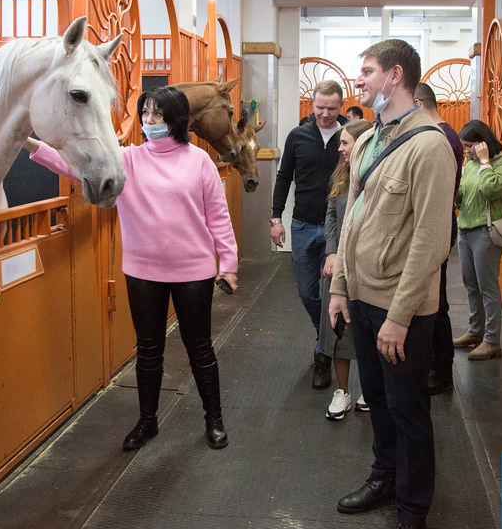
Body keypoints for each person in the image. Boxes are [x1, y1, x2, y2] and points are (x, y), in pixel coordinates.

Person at [25, 86, 238, 451]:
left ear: (175, 119)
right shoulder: (126, 159)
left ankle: (214, 420)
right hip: (143, 270)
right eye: (145, 114)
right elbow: (74, 167)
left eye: (157, 114)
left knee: (199, 347)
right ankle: (147, 421)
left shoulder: (199, 161)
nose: (149, 121)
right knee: (149, 348)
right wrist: (30, 145)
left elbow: (217, 216)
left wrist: (228, 264)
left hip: (194, 270)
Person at [329, 40, 455, 529]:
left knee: (409, 410)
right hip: (361, 296)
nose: (359, 82)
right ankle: (384, 477)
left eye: (367, 72)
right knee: (377, 399)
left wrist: (400, 317)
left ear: (394, 75)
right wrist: (339, 286)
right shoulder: (368, 141)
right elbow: (353, 217)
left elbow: (431, 243)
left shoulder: (430, 147)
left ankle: (412, 515)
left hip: (401, 309)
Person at [271, 79, 346, 389]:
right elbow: (284, 176)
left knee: (331, 293)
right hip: (302, 224)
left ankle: (323, 355)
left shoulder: (349, 137)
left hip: (336, 228)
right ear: (311, 104)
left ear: (341, 106)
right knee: (306, 292)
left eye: (331, 108)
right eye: (319, 107)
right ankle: (324, 334)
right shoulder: (298, 136)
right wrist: (276, 217)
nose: (325, 114)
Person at [412, 83, 464, 395]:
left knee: (436, 301)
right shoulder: (446, 134)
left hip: (441, 224)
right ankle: (436, 365)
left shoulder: (441, 136)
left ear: (418, 103)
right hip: (442, 221)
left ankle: (441, 370)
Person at [320, 119, 373, 420]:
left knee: (368, 330)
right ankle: (342, 392)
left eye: (345, 143)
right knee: (339, 330)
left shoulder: (376, 175)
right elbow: (330, 213)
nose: (339, 148)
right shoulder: (341, 173)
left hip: (368, 269)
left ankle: (370, 388)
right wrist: (331, 252)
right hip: (339, 266)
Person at [452, 119, 502, 361]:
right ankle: (475, 332)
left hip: (485, 232)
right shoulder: (470, 165)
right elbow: (466, 194)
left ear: (483, 144)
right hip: (465, 229)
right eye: (465, 146)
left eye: (470, 146)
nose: (467, 151)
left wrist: (486, 162)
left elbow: (492, 190)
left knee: (487, 287)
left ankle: (491, 341)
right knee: (471, 285)